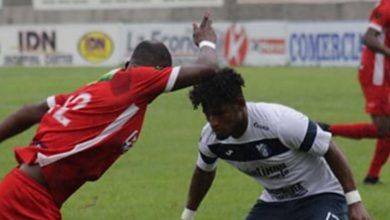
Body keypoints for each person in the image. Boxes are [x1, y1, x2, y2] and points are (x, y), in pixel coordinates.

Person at [0, 14, 217, 219]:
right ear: (157, 72)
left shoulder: (99, 91)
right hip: (27, 200)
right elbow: (207, 68)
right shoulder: (137, 80)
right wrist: (207, 41)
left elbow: (33, 110)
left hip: (26, 193)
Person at [180, 68, 371, 220]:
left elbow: (329, 148)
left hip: (322, 195)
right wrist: (188, 215)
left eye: (220, 113)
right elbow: (203, 172)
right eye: (208, 114)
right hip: (275, 203)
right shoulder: (211, 139)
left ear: (240, 104)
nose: (213, 122)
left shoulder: (281, 123)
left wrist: (354, 202)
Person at [318, 0, 390, 185]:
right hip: (376, 72)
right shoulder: (387, 7)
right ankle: (328, 129)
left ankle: (372, 176)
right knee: (383, 129)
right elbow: (368, 37)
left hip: (385, 71)